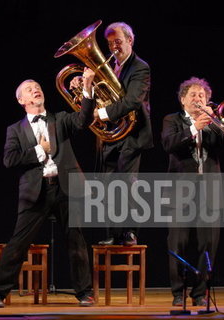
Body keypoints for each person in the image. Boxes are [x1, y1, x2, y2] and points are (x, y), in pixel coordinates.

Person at [0, 76, 95, 308]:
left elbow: (83, 120)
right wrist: (39, 150)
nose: (35, 89)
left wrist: (87, 90)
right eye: (29, 89)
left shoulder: (61, 119)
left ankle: (84, 292)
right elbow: (9, 159)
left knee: (76, 240)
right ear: (21, 100)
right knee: (18, 243)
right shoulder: (15, 129)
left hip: (66, 186)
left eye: (37, 87)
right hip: (36, 191)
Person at [71, 21, 153, 245]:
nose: (114, 47)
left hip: (132, 134)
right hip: (111, 135)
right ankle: (113, 233)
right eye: (109, 43)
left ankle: (129, 232)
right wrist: (84, 85)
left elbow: (133, 101)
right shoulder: (107, 66)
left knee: (127, 183)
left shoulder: (140, 67)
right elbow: (100, 95)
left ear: (130, 40)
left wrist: (102, 114)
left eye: (118, 41)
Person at [161, 77, 224, 306]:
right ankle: (178, 293)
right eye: (193, 95)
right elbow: (169, 144)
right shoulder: (172, 120)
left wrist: (215, 123)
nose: (198, 98)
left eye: (202, 96)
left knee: (208, 244)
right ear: (182, 99)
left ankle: (199, 293)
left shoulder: (214, 122)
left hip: (210, 194)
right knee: (177, 243)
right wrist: (194, 127)